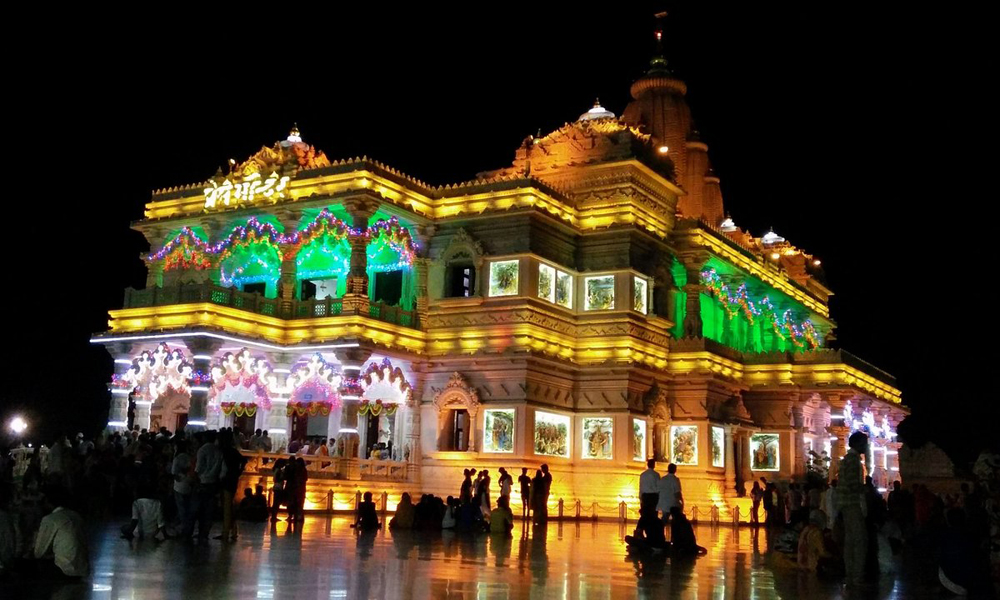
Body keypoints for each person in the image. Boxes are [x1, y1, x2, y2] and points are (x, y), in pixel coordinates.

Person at [33, 487, 90, 578]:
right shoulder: (76, 515)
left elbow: (39, 552)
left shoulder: (50, 519)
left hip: (63, 570)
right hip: (82, 568)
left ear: (46, 501)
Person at [838, 431, 869, 588]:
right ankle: (857, 576)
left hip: (846, 504)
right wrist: (865, 489)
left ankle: (850, 575)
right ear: (857, 444)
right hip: (852, 503)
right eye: (864, 443)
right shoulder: (852, 460)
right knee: (858, 541)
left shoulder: (848, 459)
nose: (866, 447)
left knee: (850, 541)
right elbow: (852, 484)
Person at [194, 430, 224, 542]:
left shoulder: (203, 450)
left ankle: (201, 531)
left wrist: (196, 478)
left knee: (201, 508)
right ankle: (206, 532)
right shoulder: (218, 450)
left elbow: (198, 467)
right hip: (214, 481)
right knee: (209, 509)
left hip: (203, 481)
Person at [218, 433, 247, 541]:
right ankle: (232, 530)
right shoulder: (233, 451)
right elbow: (244, 460)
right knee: (229, 505)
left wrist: (238, 471)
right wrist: (239, 471)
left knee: (227, 507)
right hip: (232, 479)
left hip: (227, 480)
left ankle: (226, 532)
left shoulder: (226, 451)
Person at [171, 439, 196, 538]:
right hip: (189, 483)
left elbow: (174, 472)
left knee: (181, 507)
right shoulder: (189, 457)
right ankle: (184, 526)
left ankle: (184, 528)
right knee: (187, 506)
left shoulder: (177, 458)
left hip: (179, 485)